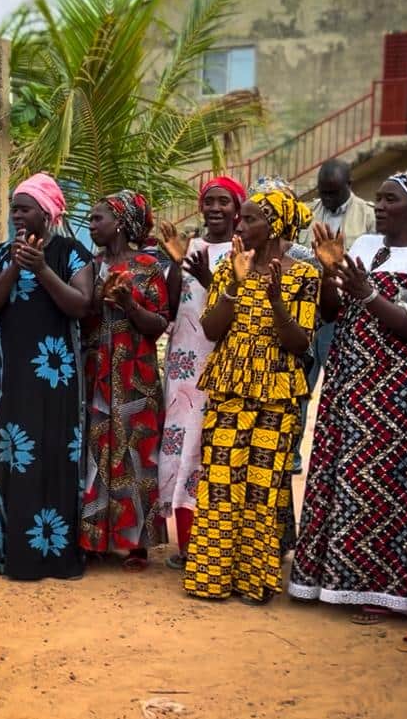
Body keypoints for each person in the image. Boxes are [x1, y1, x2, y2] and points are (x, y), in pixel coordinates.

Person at [289, 170, 407, 623]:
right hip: (349, 379)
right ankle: (327, 579)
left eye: (390, 200)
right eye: (377, 199)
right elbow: (331, 312)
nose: (379, 206)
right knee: (339, 473)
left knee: (383, 483)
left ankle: (379, 591)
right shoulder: (361, 248)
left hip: (395, 390)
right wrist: (328, 272)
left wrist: (368, 292)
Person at [184, 183, 320, 605]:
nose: (241, 225)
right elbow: (210, 329)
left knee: (263, 486)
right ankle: (212, 578)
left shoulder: (304, 275)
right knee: (222, 477)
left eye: (251, 219)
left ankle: (254, 581)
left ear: (275, 225)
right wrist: (234, 286)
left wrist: (277, 301)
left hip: (276, 388)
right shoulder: (230, 266)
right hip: (228, 384)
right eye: (242, 217)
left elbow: (300, 344)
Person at [0, 173, 91, 580]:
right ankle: (8, 555)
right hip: (7, 379)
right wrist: (13, 268)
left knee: (54, 457)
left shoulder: (71, 252)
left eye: (24, 208)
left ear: (47, 211)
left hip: (55, 380)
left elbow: (80, 305)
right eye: (15, 209)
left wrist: (40, 268)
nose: (17, 216)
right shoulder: (2, 253)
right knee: (9, 460)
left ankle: (54, 558)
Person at [158, 176, 246, 570]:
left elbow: (242, 308)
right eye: (208, 201)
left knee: (211, 449)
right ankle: (186, 544)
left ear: (237, 209)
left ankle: (216, 542)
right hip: (183, 363)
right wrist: (177, 265)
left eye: (223, 201)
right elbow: (173, 303)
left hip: (223, 361)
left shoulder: (245, 251)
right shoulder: (189, 247)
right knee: (181, 449)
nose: (214, 208)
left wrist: (212, 279)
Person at [78, 190, 169, 570]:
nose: (92, 225)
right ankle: (95, 539)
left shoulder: (148, 266)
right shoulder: (90, 265)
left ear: (120, 223)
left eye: (99, 218)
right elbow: (82, 318)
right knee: (96, 454)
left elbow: (159, 323)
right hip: (97, 371)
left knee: (136, 453)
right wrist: (97, 300)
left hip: (137, 376)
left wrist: (129, 304)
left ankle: (137, 544)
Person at [293, 159, 376, 474]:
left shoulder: (369, 216)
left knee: (345, 388)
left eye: (333, 193)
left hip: (347, 316)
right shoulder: (306, 215)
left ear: (349, 184)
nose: (326, 199)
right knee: (300, 386)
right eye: (323, 192)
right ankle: (293, 457)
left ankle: (343, 459)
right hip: (307, 312)